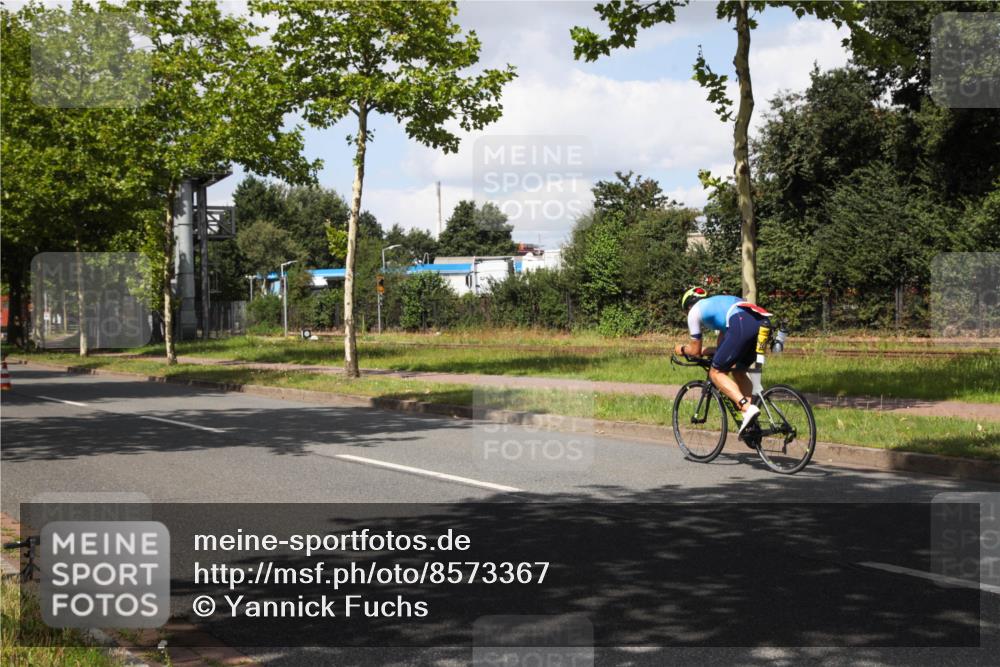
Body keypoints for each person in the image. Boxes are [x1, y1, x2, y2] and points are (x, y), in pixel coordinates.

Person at [673, 286, 772, 435]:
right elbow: (722, 349)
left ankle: (746, 408)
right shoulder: (720, 305)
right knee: (738, 371)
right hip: (761, 322)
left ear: (688, 305)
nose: (688, 314)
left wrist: (681, 349)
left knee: (716, 372)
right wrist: (706, 351)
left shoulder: (694, 311)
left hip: (740, 323)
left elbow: (694, 351)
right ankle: (752, 417)